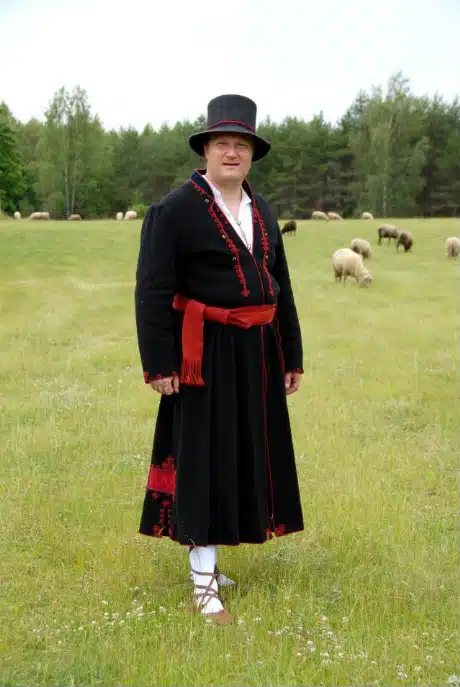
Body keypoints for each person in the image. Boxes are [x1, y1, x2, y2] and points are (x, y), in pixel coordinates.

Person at [135, 94, 304, 625]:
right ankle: (203, 578)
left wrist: (291, 355)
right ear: (205, 150)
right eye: (222, 144)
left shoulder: (263, 210)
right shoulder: (174, 210)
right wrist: (160, 364)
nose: (232, 153)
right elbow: (151, 290)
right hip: (201, 352)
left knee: (242, 453)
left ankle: (215, 554)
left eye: (242, 145)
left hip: (257, 353)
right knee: (204, 457)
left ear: (252, 154)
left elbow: (281, 288)